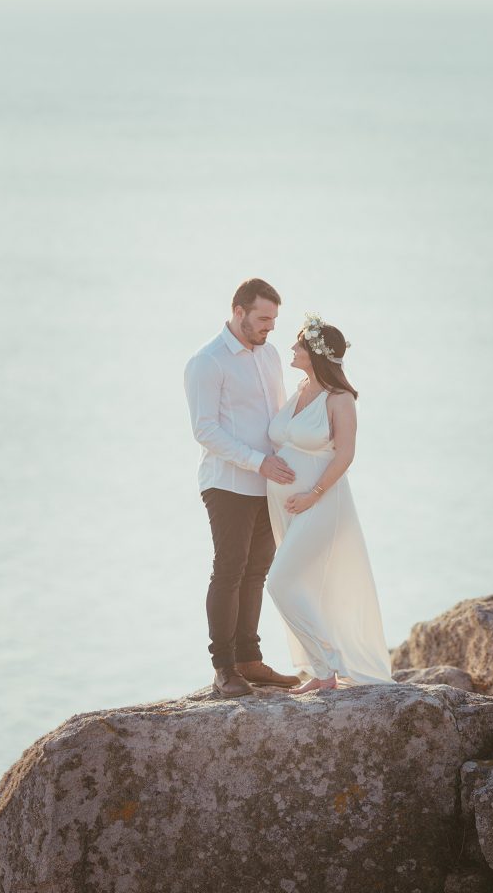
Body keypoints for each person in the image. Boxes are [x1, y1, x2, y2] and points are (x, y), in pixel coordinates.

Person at [184, 278, 301, 699]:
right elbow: (205, 430)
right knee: (229, 571)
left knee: (256, 573)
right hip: (228, 483)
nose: (270, 327)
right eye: (263, 318)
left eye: (273, 319)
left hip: (268, 485)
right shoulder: (207, 361)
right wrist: (257, 462)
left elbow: (276, 417)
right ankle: (225, 668)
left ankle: (250, 660)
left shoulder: (269, 355)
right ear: (239, 311)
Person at [266, 312, 394, 693]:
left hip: (322, 503)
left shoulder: (340, 399)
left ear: (316, 353)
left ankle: (328, 666)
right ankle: (323, 672)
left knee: (279, 582)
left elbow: (345, 455)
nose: (291, 347)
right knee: (303, 584)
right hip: (287, 506)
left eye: (299, 344)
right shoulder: (300, 389)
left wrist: (311, 495)